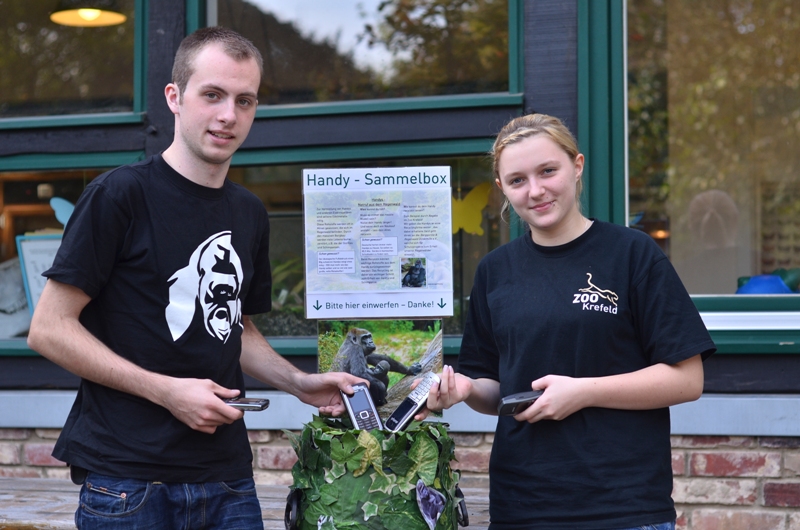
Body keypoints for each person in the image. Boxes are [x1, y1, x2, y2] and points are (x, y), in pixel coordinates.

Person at [27, 27, 364, 529]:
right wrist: (166, 391)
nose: (229, 115)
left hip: (227, 480)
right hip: (127, 486)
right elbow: (49, 329)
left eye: (244, 100)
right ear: (175, 98)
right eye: (212, 95)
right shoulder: (119, 196)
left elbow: (232, 326)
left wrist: (298, 383)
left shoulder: (249, 212)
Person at [424, 114, 716, 529]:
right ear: (502, 189)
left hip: (623, 508)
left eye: (548, 171)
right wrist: (467, 389)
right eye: (518, 180)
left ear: (576, 166)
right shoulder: (495, 270)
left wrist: (583, 392)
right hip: (522, 507)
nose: (536, 191)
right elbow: (495, 389)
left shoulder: (632, 254)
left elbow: (687, 380)